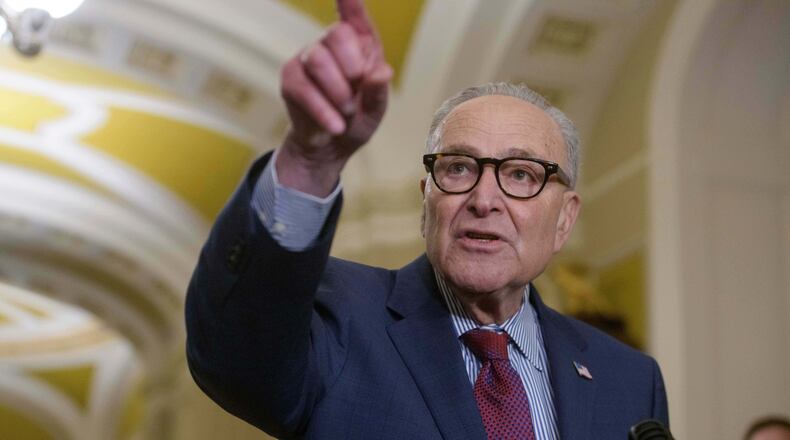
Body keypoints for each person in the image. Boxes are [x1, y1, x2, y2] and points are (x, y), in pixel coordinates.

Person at [184, 0, 669, 438]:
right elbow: (235, 357)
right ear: (427, 200)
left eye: (521, 175)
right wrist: (309, 161)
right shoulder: (338, 316)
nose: (484, 199)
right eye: (458, 167)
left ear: (565, 219)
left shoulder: (628, 379)